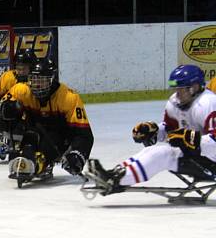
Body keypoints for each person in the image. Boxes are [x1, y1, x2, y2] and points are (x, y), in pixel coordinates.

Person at [84, 64, 216, 194]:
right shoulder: (175, 102)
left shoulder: (208, 103)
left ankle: (116, 181)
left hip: (212, 163)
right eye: (176, 90)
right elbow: (170, 131)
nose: (177, 95)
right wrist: (154, 131)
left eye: (181, 90)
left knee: (163, 154)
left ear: (194, 88)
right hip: (197, 156)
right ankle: (114, 174)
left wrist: (191, 139)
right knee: (151, 149)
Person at [0, 57, 94, 183]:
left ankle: (40, 162)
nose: (37, 85)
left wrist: (77, 155)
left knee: (51, 141)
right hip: (32, 131)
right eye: (33, 80)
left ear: (52, 80)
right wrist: (8, 109)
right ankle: (25, 156)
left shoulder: (68, 98)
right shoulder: (21, 90)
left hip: (59, 137)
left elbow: (84, 134)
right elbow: (1, 109)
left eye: (41, 81)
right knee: (29, 138)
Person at [0, 49, 38, 114]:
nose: (21, 72)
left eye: (24, 68)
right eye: (18, 68)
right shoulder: (9, 77)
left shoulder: (38, 81)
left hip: (32, 113)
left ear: (32, 67)